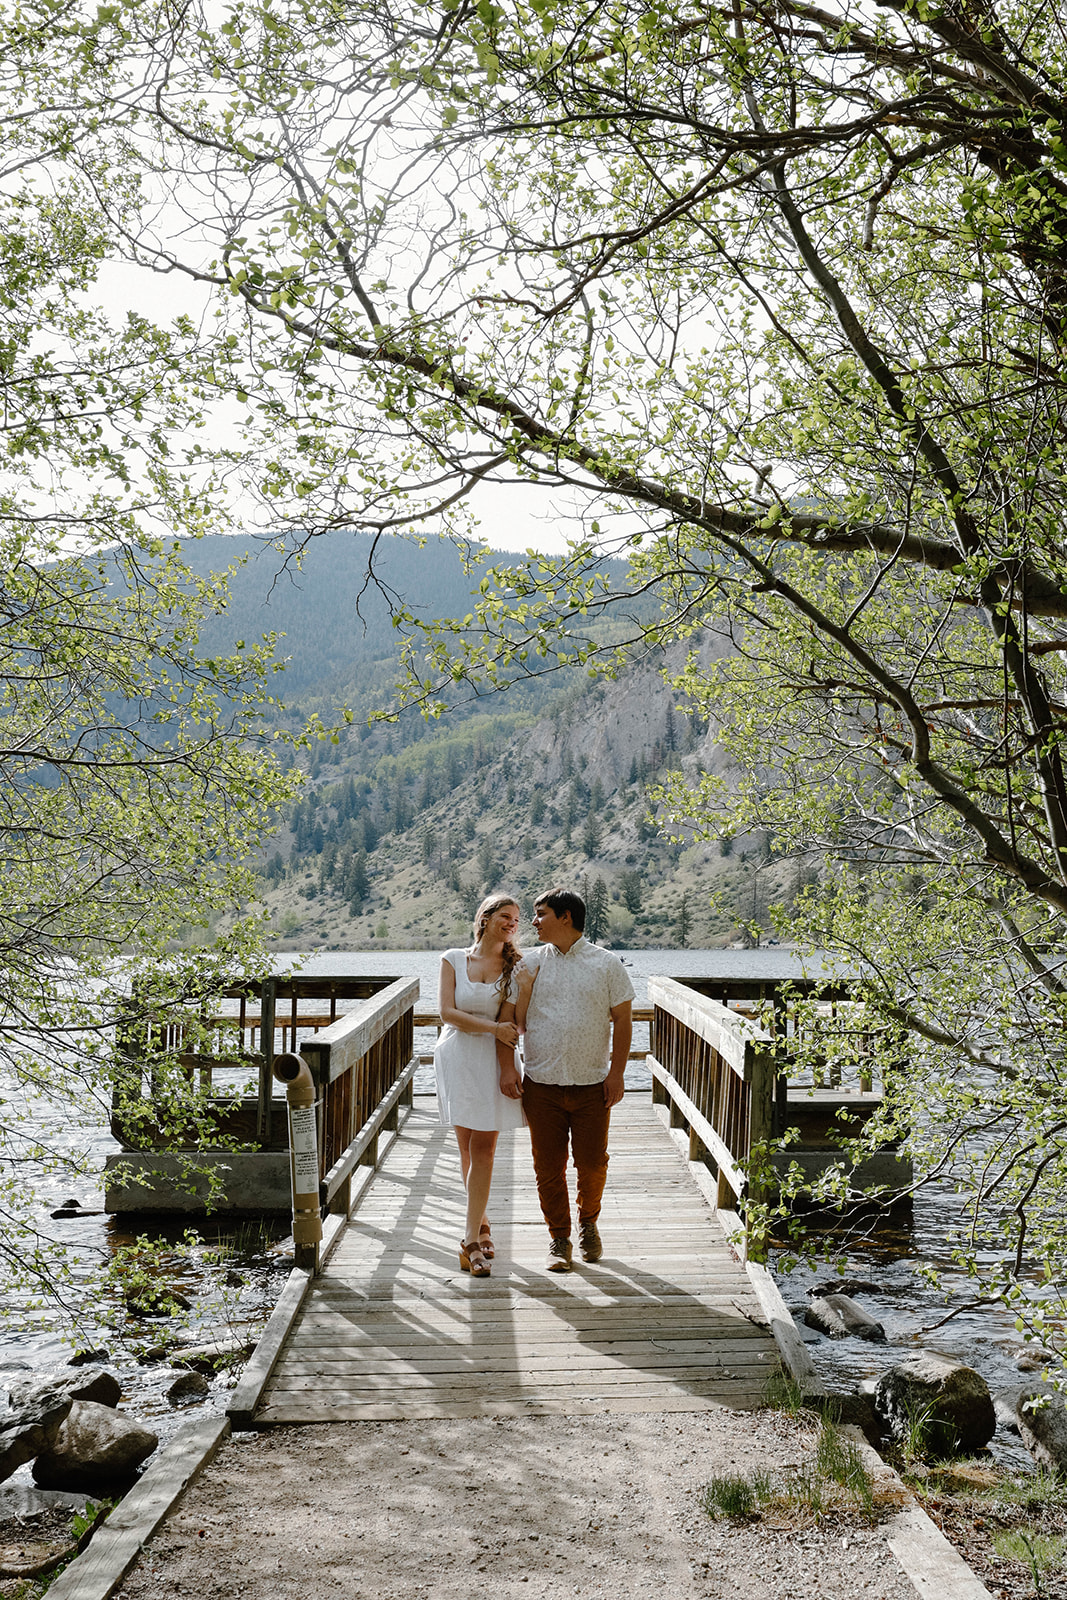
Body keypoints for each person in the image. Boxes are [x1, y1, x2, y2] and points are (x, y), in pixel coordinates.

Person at [497, 886, 634, 1272]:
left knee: (592, 1164)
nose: (533, 922)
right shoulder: (529, 965)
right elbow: (512, 1021)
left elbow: (624, 1020)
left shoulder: (606, 964)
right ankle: (559, 1238)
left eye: (540, 914)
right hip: (541, 1084)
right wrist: (509, 1066)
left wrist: (617, 1073)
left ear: (566, 918)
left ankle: (588, 1222)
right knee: (547, 1167)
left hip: (592, 1084)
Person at [434, 894, 525, 1278]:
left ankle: (470, 1239)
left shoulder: (515, 968)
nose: (512, 923)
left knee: (484, 1146)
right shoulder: (453, 959)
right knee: (466, 1148)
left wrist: (508, 1068)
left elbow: (510, 1023)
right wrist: (493, 1028)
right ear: (485, 918)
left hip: (491, 1060)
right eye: (506, 916)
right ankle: (483, 1220)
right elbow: (447, 1013)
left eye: (517, 919)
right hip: (456, 1055)